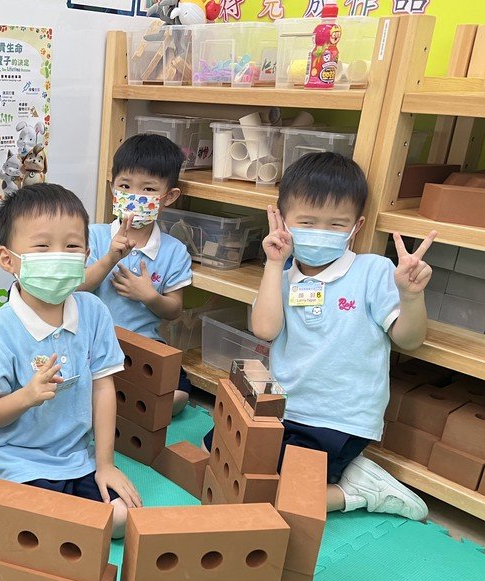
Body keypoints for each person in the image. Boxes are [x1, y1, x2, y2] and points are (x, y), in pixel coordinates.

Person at [206, 152, 434, 520]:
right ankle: (346, 472)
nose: (321, 232)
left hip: (339, 420)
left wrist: (410, 296)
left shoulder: (373, 270)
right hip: (282, 409)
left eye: (336, 224)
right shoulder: (280, 277)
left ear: (356, 226)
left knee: (266, 496)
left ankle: (357, 492)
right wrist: (275, 263)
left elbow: (409, 340)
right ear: (283, 220)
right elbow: (264, 330)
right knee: (220, 458)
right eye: (307, 222)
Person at [0, 184, 141, 537]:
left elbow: (103, 388)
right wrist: (26, 397)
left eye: (72, 246)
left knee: (122, 518)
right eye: (43, 246)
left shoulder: (94, 312)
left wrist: (105, 464)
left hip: (76, 458)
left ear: (86, 255)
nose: (59, 255)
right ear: (8, 259)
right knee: (38, 529)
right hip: (16, 461)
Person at [80, 134, 193, 416]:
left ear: (169, 197)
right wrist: (110, 258)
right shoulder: (94, 236)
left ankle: (122, 402)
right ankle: (115, 402)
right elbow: (78, 288)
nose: (134, 196)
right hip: (92, 341)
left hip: (144, 345)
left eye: (148, 189)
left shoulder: (174, 251)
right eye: (125, 186)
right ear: (113, 187)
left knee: (178, 391)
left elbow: (174, 310)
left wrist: (149, 297)